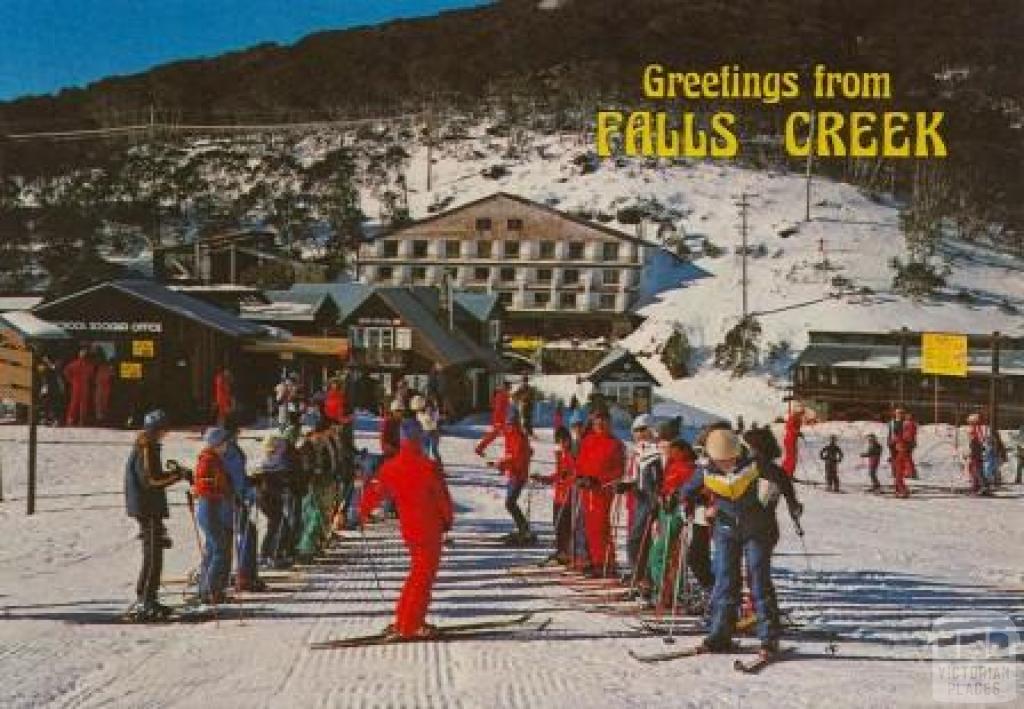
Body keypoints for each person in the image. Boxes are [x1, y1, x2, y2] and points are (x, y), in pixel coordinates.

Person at [679, 429, 780, 658]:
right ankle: (720, 633)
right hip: (726, 530)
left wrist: (783, 503)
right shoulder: (705, 470)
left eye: (730, 459)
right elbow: (686, 490)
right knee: (725, 579)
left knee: (758, 578)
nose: (726, 464)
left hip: (756, 529)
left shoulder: (754, 466)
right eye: (720, 460)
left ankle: (769, 636)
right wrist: (686, 500)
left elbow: (779, 481)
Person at [360, 421, 454, 639]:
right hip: (429, 528)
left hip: (409, 529)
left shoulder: (391, 467)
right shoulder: (429, 466)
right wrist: (448, 520)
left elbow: (375, 491)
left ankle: (405, 619)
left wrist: (363, 511)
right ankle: (411, 624)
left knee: (416, 575)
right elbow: (443, 498)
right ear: (419, 438)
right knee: (423, 577)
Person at [124, 410, 189, 621]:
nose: (165, 434)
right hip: (146, 506)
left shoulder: (148, 445)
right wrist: (177, 476)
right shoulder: (146, 447)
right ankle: (146, 599)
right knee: (153, 555)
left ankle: (148, 596)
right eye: (163, 430)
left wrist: (174, 474)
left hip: (147, 505)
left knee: (155, 551)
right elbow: (151, 480)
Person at [742, 425, 803, 630]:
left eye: (749, 446)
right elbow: (792, 501)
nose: (747, 450)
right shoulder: (775, 471)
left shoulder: (755, 469)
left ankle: (766, 617)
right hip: (763, 526)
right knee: (756, 572)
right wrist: (795, 512)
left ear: (757, 448)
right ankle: (760, 612)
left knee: (757, 573)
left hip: (759, 527)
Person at [575, 407, 625, 577]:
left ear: (610, 424)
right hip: (587, 489)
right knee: (588, 526)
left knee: (600, 527)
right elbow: (580, 462)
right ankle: (593, 560)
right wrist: (580, 477)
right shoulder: (588, 440)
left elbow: (618, 470)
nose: (600, 426)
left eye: (604, 423)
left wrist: (598, 480)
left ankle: (605, 562)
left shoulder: (615, 444)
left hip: (602, 490)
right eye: (597, 423)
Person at [616, 414, 660, 592]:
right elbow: (635, 477)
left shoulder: (656, 451)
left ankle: (647, 578)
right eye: (636, 430)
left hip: (652, 500)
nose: (640, 434)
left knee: (643, 540)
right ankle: (640, 575)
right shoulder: (636, 450)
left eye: (643, 430)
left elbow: (658, 479)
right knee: (637, 539)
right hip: (639, 499)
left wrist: (657, 496)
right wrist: (627, 485)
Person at [221, 417, 264, 592]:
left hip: (234, 496)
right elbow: (235, 474)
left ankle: (246, 573)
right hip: (232, 498)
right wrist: (247, 491)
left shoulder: (230, 447)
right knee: (245, 533)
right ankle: (244, 574)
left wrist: (250, 481)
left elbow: (239, 475)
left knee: (246, 533)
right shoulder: (230, 449)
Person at [192, 427, 232, 604]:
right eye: (224, 442)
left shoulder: (214, 459)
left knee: (213, 547)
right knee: (219, 548)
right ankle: (210, 589)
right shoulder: (207, 460)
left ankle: (207, 588)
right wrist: (220, 493)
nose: (226, 446)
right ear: (217, 444)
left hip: (214, 506)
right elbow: (203, 486)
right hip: (208, 507)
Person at [487, 410, 535, 544]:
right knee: (510, 503)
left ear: (516, 423)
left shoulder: (518, 437)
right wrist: (500, 465)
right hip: (513, 474)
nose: (508, 427)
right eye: (508, 424)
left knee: (510, 503)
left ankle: (524, 529)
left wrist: (500, 463)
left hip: (519, 474)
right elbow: (511, 456)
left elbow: (516, 457)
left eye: (511, 424)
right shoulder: (512, 435)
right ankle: (523, 528)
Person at [531, 426, 575, 563]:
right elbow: (559, 474)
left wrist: (567, 477)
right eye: (560, 441)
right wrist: (545, 479)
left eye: (564, 440)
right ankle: (561, 550)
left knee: (565, 524)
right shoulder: (560, 454)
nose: (562, 443)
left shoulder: (572, 454)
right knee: (557, 523)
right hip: (559, 494)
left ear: (569, 440)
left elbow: (576, 473)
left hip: (569, 494)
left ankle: (567, 551)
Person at [475, 381, 511, 456]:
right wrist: (499, 421)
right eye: (508, 387)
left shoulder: (502, 394)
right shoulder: (501, 395)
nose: (509, 389)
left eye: (509, 387)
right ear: (505, 387)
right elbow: (498, 408)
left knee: (506, 435)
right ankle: (479, 448)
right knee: (506, 435)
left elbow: (494, 405)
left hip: (502, 419)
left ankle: (480, 448)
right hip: (500, 420)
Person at [63, 347, 95, 426]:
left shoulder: (77, 364)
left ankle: (74, 420)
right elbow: (92, 374)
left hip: (78, 385)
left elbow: (66, 371)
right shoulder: (87, 365)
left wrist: (70, 380)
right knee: (80, 404)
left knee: (77, 403)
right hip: (81, 385)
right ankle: (79, 420)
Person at [780, 403, 804, 476]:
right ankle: (786, 472)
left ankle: (789, 473)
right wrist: (797, 432)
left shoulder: (798, 419)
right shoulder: (793, 418)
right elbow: (788, 427)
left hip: (793, 440)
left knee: (793, 458)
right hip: (789, 440)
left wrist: (798, 433)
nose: (802, 415)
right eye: (801, 413)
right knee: (791, 458)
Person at [93, 348, 114, 425]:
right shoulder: (99, 365)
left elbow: (112, 374)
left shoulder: (104, 365)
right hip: (101, 385)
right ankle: (101, 418)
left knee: (102, 402)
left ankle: (101, 418)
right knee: (101, 402)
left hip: (103, 385)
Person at [902, 412, 919, 479]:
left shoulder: (910, 424)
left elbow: (909, 434)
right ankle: (910, 472)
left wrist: (905, 441)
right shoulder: (910, 423)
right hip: (909, 442)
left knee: (907, 458)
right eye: (906, 415)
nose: (906, 417)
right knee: (907, 458)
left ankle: (911, 473)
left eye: (908, 416)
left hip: (908, 443)